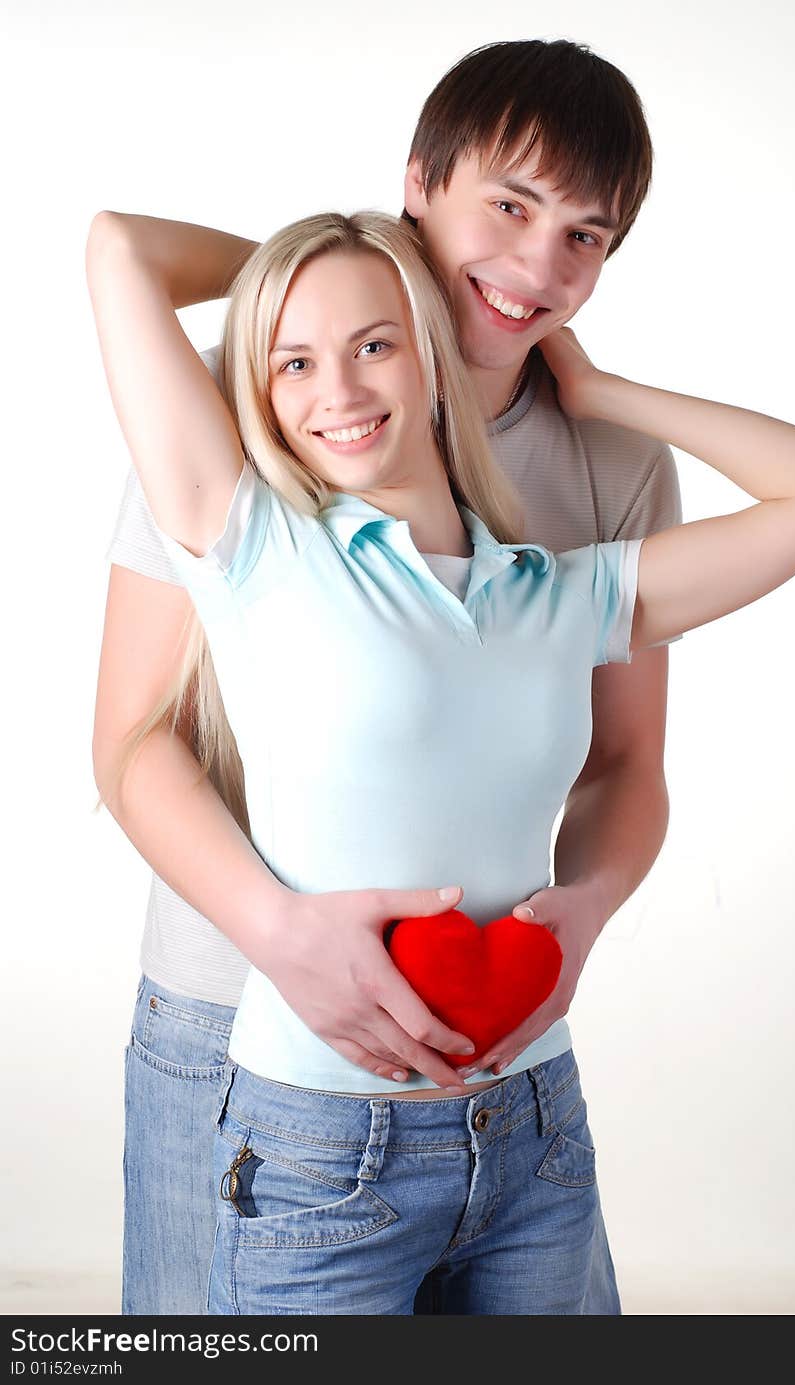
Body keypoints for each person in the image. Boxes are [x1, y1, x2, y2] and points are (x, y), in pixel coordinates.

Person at [87, 195, 795, 1315]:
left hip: (533, 1132)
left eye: (374, 344)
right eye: (292, 362)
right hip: (319, 1155)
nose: (341, 391)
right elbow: (119, 247)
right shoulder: (255, 547)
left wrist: (603, 395)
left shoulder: (562, 592)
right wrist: (314, 266)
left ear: (432, 355)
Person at [94, 39, 681, 1315]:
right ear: (419, 184)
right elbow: (134, 739)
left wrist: (588, 906)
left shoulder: (614, 466)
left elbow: (628, 761)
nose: (536, 268)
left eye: (585, 236)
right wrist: (279, 932)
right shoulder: (246, 402)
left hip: (498, 1064)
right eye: (508, 206)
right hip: (234, 1018)